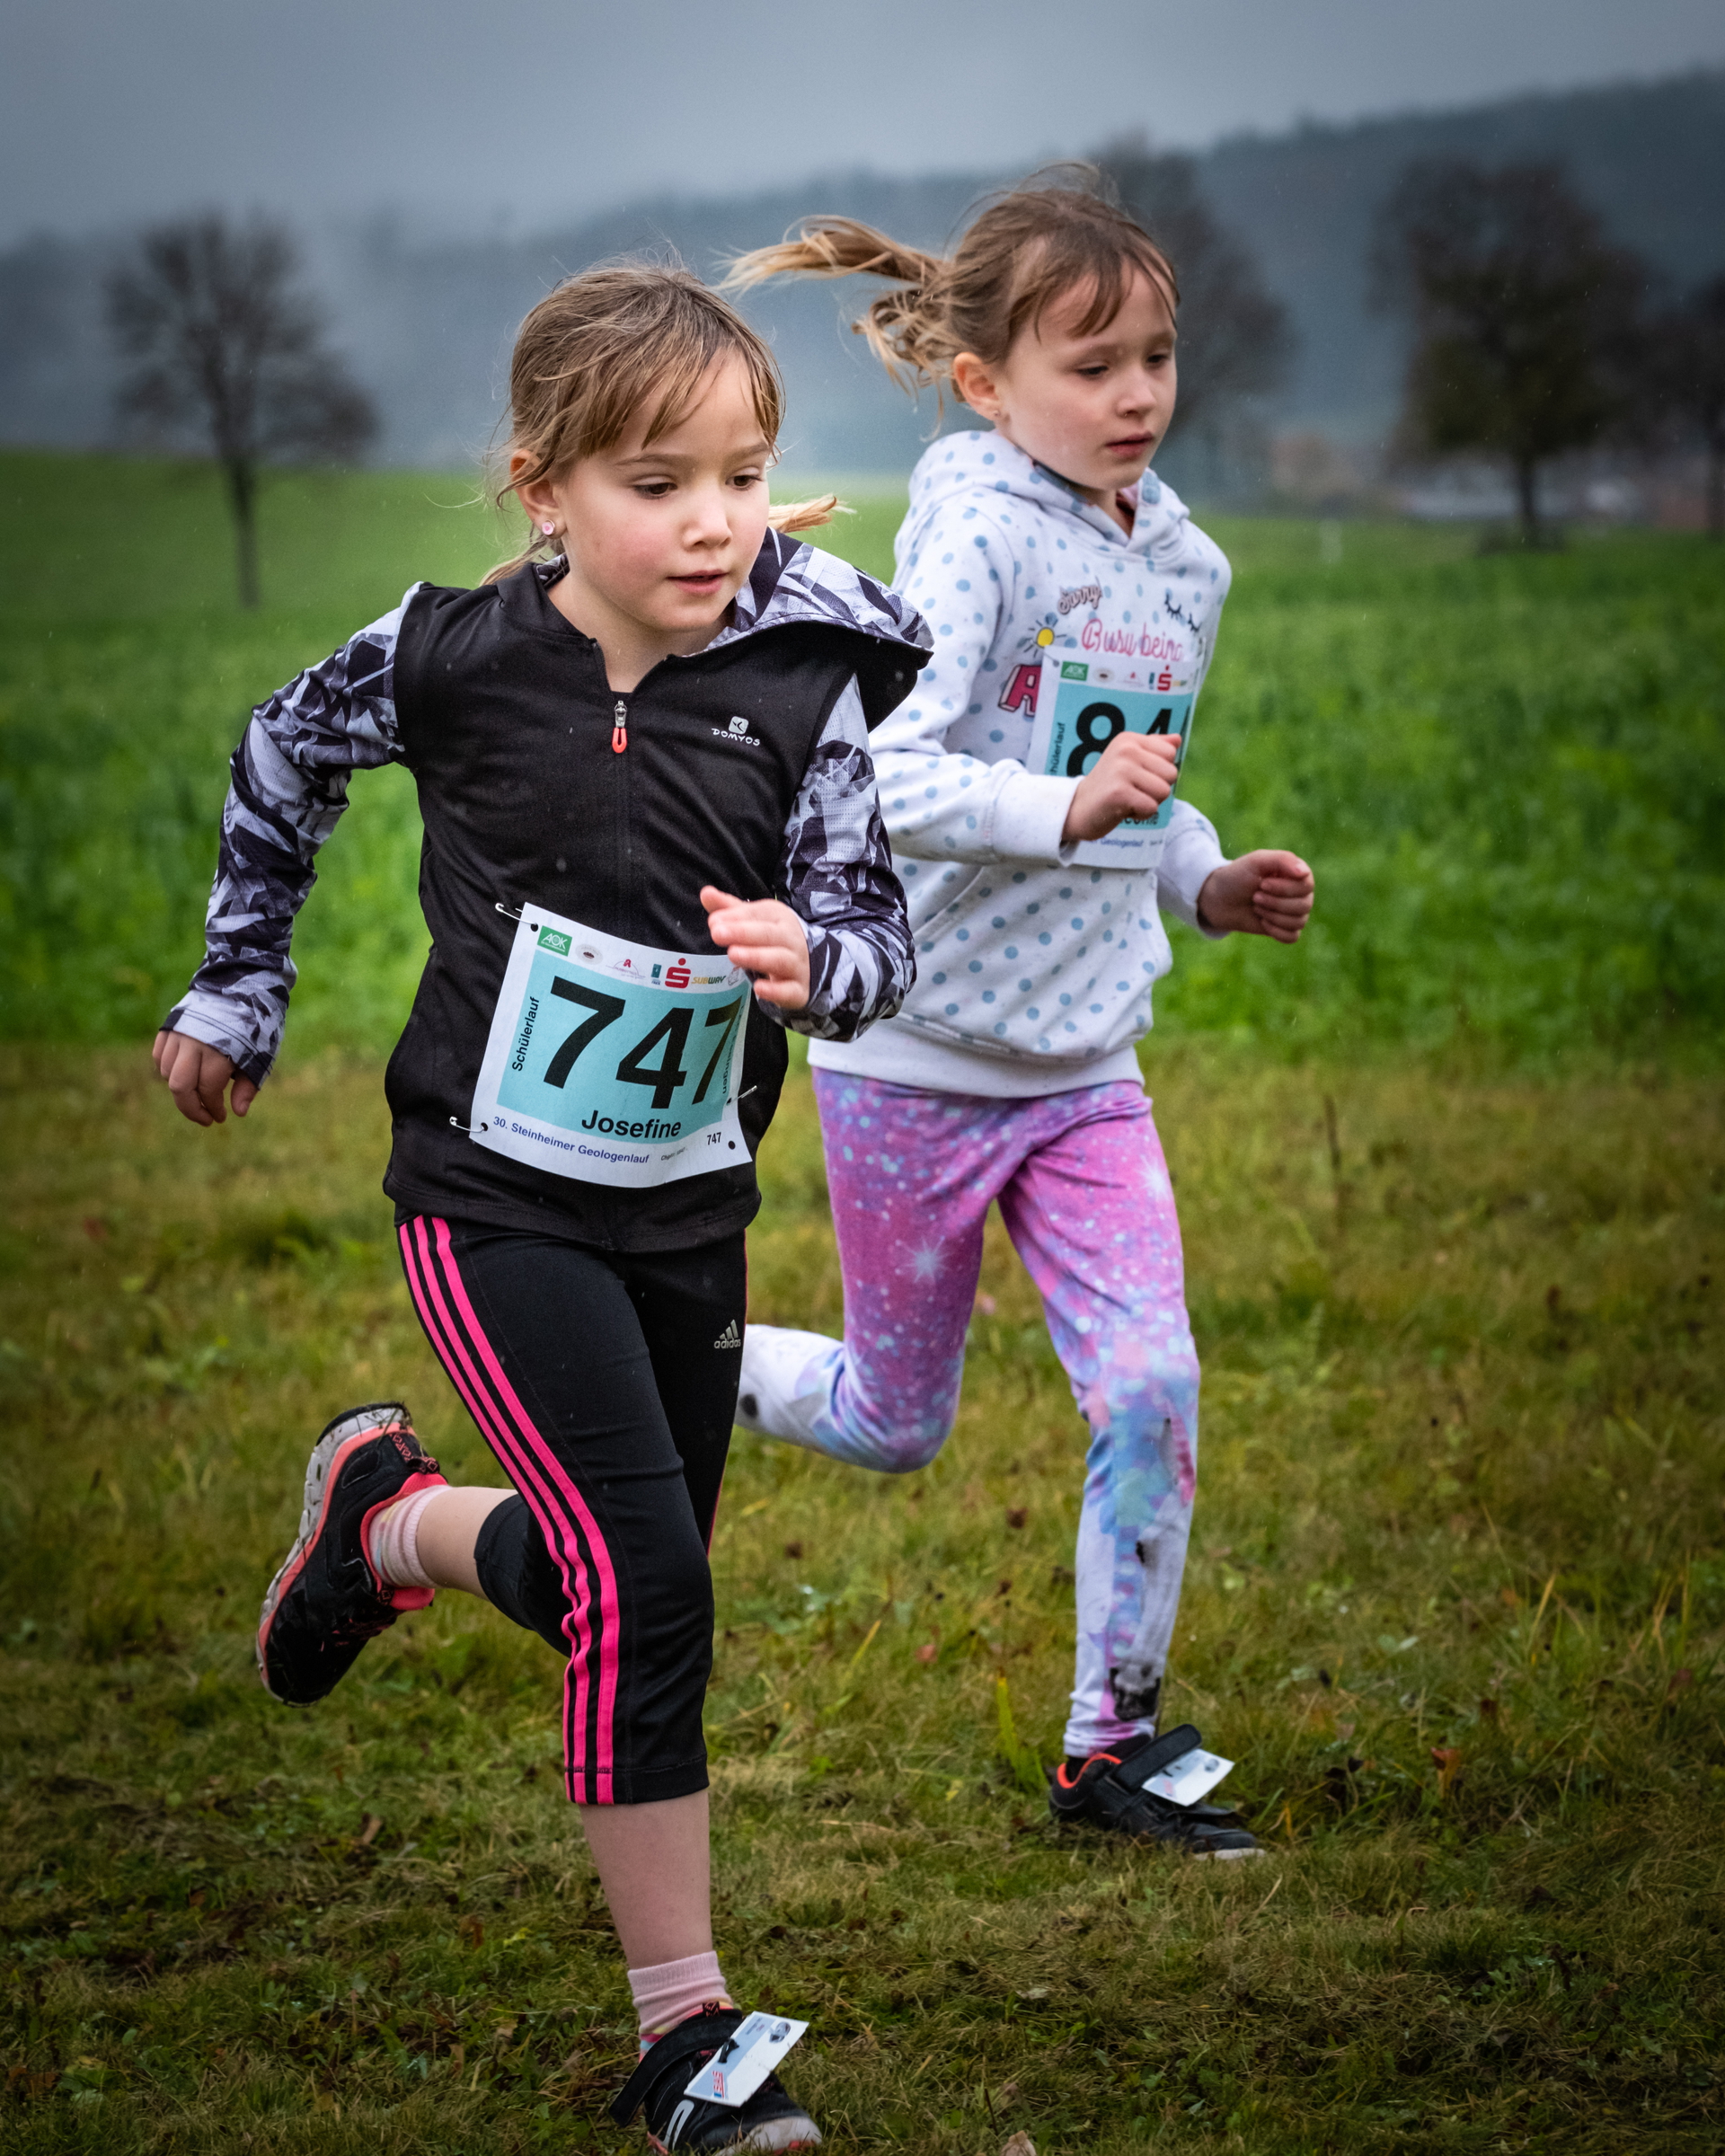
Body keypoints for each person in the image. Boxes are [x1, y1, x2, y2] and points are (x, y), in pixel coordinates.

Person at [151, 263, 929, 2152]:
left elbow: (881, 941)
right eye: (659, 483)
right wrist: (238, 984)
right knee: (644, 1586)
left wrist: (814, 963)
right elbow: (281, 753)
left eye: (741, 476)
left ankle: (388, 1523)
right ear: (544, 489)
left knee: (625, 1579)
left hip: (690, 1208)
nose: (714, 522)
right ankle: (686, 2037)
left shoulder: (806, 687)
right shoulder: (446, 657)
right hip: (489, 1194)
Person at [724, 173, 1314, 1859]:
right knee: (894, 1422)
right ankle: (681, 1354)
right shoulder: (975, 534)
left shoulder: (1185, 563)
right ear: (986, 384)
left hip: (1086, 1069)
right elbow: (885, 774)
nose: (1136, 395)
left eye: (1157, 359)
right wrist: (1062, 809)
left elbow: (1133, 782)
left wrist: (1203, 876)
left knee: (1152, 1386)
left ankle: (1106, 1748)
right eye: (1092, 365)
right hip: (916, 1055)